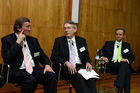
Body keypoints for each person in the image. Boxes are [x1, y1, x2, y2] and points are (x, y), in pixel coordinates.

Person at [1, 17, 57, 93]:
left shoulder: (33, 40)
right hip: (17, 71)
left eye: (30, 26)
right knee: (31, 80)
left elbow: (42, 55)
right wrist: (17, 42)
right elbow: (7, 59)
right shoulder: (7, 40)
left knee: (52, 76)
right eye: (27, 27)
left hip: (33, 69)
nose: (30, 29)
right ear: (19, 28)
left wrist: (47, 64)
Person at [51, 20, 96, 93]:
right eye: (65, 28)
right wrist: (66, 62)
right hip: (66, 69)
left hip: (81, 67)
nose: (66, 30)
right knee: (78, 77)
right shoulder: (59, 41)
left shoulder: (81, 41)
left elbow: (86, 54)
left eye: (68, 28)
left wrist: (88, 62)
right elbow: (53, 56)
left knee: (91, 78)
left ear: (75, 29)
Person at [100, 28, 135, 93]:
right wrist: (103, 57)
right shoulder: (108, 43)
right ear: (115, 35)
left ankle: (119, 86)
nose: (118, 36)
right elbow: (99, 52)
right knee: (126, 69)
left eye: (120, 34)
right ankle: (124, 90)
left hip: (122, 66)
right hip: (111, 65)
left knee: (124, 65)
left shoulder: (127, 45)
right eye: (117, 34)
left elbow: (132, 57)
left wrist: (126, 59)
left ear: (123, 36)